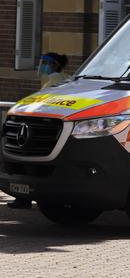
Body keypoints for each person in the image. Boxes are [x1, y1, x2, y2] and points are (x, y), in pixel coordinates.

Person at [7, 53, 70, 209]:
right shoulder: (67, 77)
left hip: (41, 127)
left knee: (24, 164)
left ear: (55, 65)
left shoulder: (53, 81)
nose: (42, 66)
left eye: (45, 63)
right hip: (54, 128)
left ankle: (23, 198)